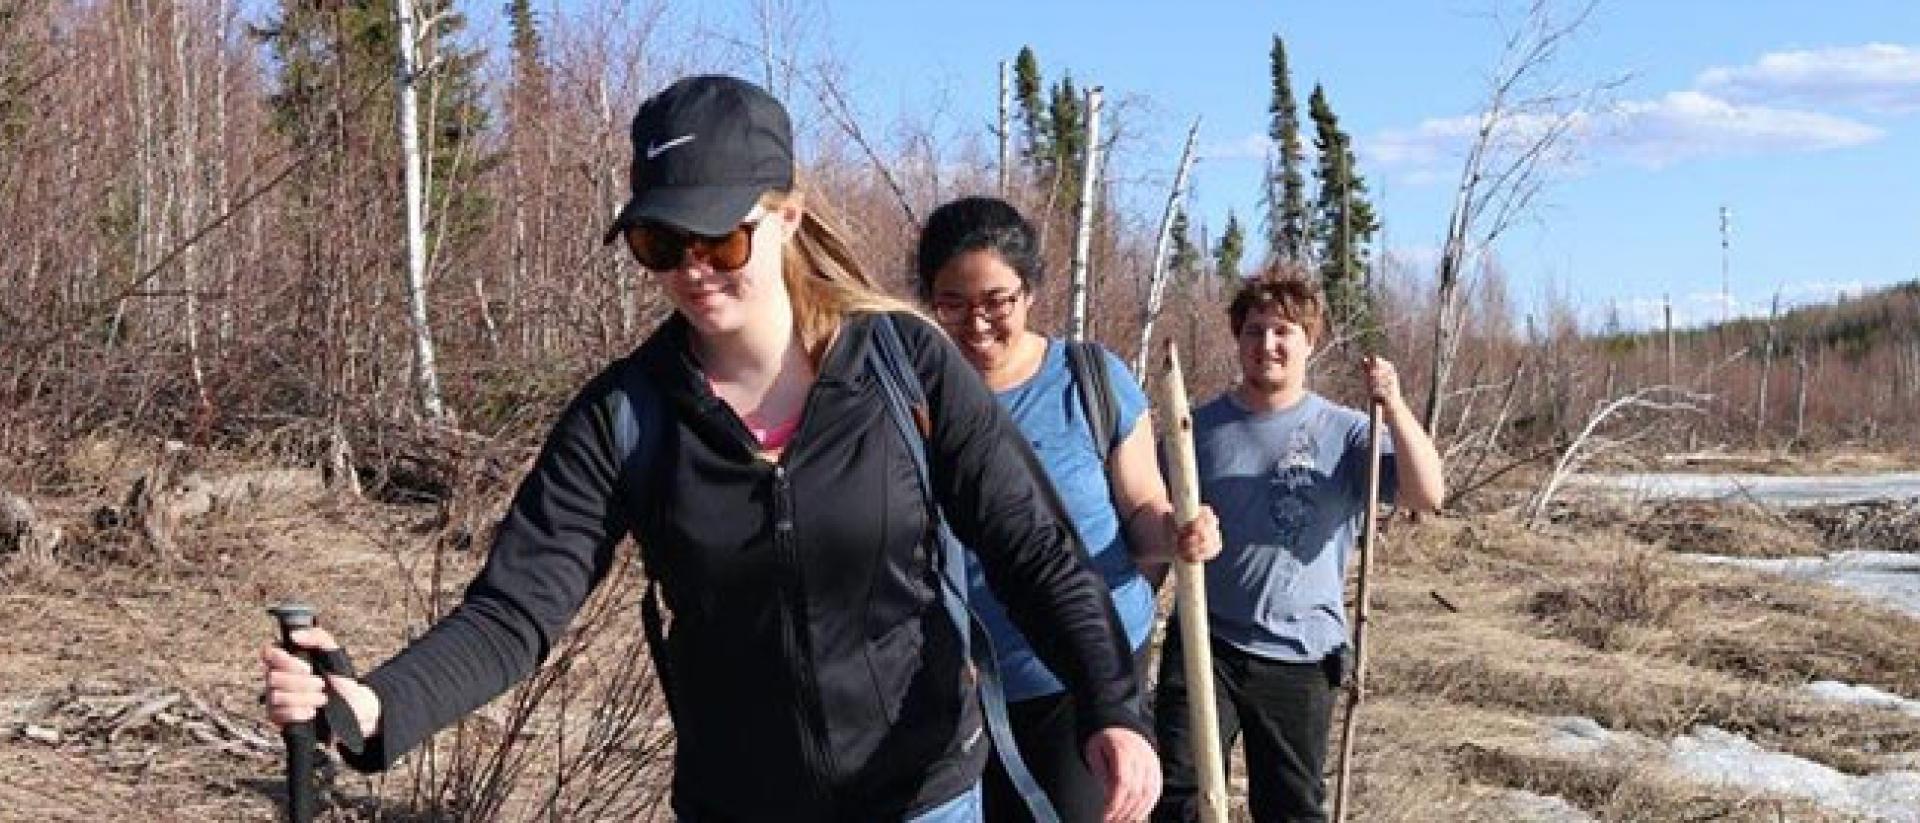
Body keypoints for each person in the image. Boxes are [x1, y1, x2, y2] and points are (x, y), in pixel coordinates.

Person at [261, 74, 1161, 823]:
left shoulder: (904, 363)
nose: (693, 267)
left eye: (720, 236)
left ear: (787, 217)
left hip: (918, 793)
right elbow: (514, 611)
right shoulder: (628, 415)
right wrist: (377, 705)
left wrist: (1112, 708)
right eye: (660, 241)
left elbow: (1031, 545)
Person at [914, 196, 1219, 822]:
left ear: (1030, 291)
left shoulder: (1088, 380)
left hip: (1084, 684)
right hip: (960, 691)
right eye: (953, 304)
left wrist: (1175, 532)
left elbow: (1140, 509)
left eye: (996, 300)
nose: (977, 323)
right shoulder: (915, 396)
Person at [1150, 275, 1444, 823]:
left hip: (1302, 655)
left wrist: (1396, 406)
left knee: (1290, 809)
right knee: (1181, 797)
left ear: (1310, 340)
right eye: (1255, 331)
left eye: (1283, 331)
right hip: (1206, 642)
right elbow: (1146, 529)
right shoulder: (1194, 432)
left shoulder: (1348, 432)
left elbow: (1427, 494)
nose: (1268, 345)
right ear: (1237, 340)